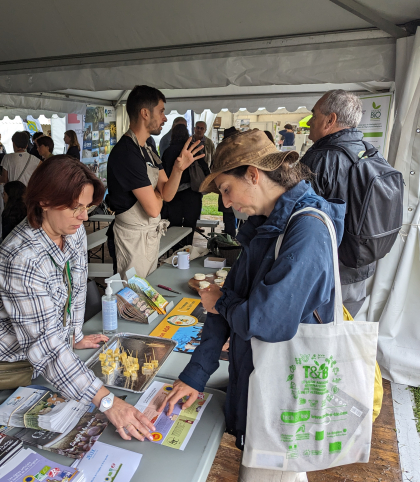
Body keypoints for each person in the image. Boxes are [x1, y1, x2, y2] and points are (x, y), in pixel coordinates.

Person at [161, 129, 345, 482]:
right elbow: (225, 303)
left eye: (226, 190)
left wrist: (222, 303)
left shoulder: (306, 231)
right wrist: (195, 376)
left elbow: (264, 320)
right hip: (261, 381)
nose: (226, 204)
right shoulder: (265, 226)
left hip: (284, 395)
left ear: (254, 174)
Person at [0, 156, 157, 442]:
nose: (84, 216)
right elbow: (46, 349)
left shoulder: (73, 231)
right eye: (75, 207)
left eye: (87, 207)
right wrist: (108, 402)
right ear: (44, 201)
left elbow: (76, 287)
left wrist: (73, 335)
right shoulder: (21, 257)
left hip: (26, 365)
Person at [106, 85, 204, 279]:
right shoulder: (127, 153)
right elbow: (153, 209)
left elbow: (167, 195)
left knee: (146, 294)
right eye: (161, 112)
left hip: (149, 236)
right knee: (133, 301)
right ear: (144, 113)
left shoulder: (148, 147)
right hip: (132, 240)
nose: (165, 118)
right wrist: (157, 196)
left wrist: (178, 169)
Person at [301, 89, 377, 316]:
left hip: (327, 269)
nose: (309, 123)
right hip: (361, 263)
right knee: (345, 326)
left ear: (330, 120)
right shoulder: (370, 152)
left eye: (314, 116)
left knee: (317, 333)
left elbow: (297, 215)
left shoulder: (319, 158)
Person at [162, 123, 210, 247]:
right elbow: (205, 168)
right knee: (190, 225)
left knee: (174, 225)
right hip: (192, 193)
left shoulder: (168, 152)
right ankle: (188, 249)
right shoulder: (191, 150)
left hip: (173, 194)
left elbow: (163, 174)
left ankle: (175, 251)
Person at [219, 127, 239, 238]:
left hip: (226, 189)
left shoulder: (220, 151)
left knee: (229, 221)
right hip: (233, 190)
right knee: (237, 220)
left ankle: (230, 245)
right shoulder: (239, 150)